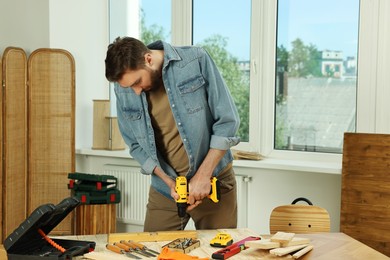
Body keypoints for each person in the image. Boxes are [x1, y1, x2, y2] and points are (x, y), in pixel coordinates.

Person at [105, 37, 240, 231]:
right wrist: (168, 182)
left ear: (149, 59)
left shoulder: (195, 60)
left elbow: (227, 121)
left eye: (137, 82)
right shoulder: (123, 88)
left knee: (217, 251)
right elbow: (135, 144)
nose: (135, 92)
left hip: (212, 181)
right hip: (166, 188)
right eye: (129, 87)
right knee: (152, 251)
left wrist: (203, 176)